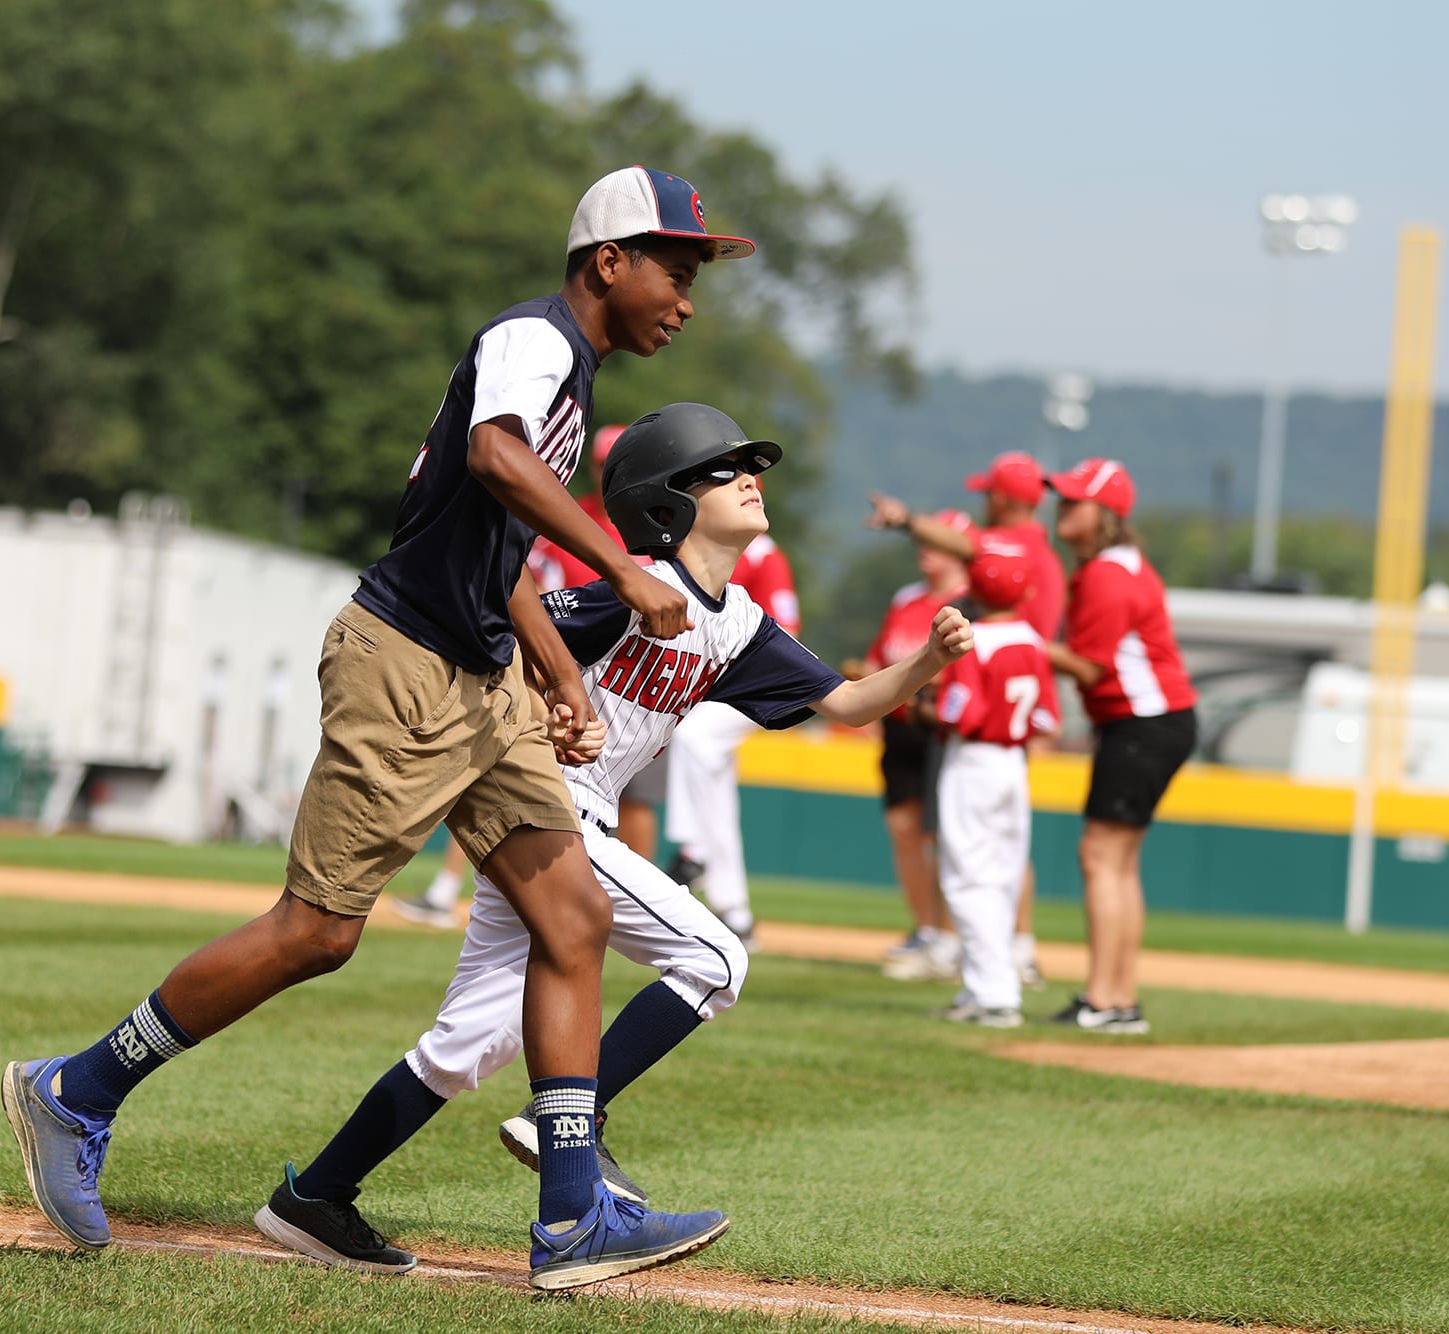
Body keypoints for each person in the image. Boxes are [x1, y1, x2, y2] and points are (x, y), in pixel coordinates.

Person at [0, 166, 756, 1291]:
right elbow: (492, 458)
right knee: (315, 933)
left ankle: (571, 1218)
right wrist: (619, 568)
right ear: (609, 261)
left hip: (483, 679)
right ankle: (77, 1089)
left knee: (574, 916)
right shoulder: (535, 341)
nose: (687, 299)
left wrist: (556, 672)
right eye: (677, 270)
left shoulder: (571, 373)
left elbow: (497, 550)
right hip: (401, 664)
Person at [256, 403, 972, 1275]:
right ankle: (571, 1118)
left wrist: (929, 661)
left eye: (751, 466)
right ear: (667, 499)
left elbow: (851, 704)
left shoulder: (739, 623)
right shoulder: (626, 589)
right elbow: (505, 636)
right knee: (715, 959)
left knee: (466, 1045)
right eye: (723, 469)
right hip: (547, 810)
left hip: (553, 827)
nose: (751, 478)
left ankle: (316, 1195)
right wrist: (548, 704)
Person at [393, 423, 664, 934]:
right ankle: (448, 889)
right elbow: (525, 580)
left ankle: (642, 906)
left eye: (618, 466)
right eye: (603, 464)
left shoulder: (654, 530)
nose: (608, 474)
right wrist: (543, 667)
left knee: (636, 797)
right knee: (497, 766)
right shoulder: (567, 514)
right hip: (560, 667)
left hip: (630, 679)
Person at [865, 452, 1063, 984]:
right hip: (1011, 730)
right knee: (1003, 846)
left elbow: (968, 546)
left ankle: (977, 958)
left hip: (977, 737)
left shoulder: (1013, 551)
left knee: (968, 853)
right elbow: (1049, 716)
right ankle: (1010, 949)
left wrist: (907, 520)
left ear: (1002, 497)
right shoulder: (1037, 567)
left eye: (989, 494)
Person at [1041, 458, 1196, 1035]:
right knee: (1119, 861)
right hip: (1155, 722)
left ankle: (1105, 1000)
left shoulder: (1107, 573)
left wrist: (1016, 639)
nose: (1061, 507)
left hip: (1142, 723)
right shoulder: (1117, 566)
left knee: (1101, 857)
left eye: (1074, 500)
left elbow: (1089, 667)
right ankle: (1117, 998)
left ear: (1104, 514)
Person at [659, 499, 800, 947]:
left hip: (760, 681)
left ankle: (692, 850)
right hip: (718, 684)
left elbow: (787, 630)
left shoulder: (764, 555)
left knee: (692, 738)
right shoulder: (699, 546)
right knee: (714, 789)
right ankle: (735, 911)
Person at [928, 546, 1058, 1027]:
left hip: (975, 761)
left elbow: (962, 714)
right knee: (1002, 876)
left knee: (968, 878)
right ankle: (984, 986)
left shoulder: (974, 639)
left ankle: (993, 995)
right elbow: (1046, 718)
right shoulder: (1032, 639)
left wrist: (924, 708)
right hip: (1014, 763)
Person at [856, 515, 969, 982]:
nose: (925, 549)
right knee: (904, 828)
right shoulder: (907, 598)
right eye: (923, 541)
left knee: (945, 836)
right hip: (901, 726)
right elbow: (877, 657)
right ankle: (926, 930)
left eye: (936, 542)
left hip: (943, 728)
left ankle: (955, 937)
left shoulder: (970, 601)